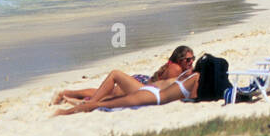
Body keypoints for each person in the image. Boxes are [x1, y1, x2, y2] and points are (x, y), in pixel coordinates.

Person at [53, 47, 196, 105]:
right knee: (106, 93)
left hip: (144, 82)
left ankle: (74, 97)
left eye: (192, 59)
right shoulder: (175, 69)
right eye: (188, 60)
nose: (191, 62)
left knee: (106, 92)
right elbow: (167, 87)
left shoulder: (179, 68)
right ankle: (68, 94)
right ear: (179, 60)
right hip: (143, 84)